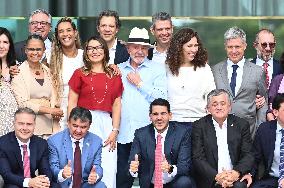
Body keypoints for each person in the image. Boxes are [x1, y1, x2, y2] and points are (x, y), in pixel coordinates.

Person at [68, 35, 123, 188]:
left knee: (108, 164)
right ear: (86, 52)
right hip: (83, 122)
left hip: (106, 123)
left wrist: (115, 130)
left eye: (98, 47)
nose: (95, 51)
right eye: (90, 48)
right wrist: (72, 126)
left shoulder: (114, 75)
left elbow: (117, 105)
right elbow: (72, 101)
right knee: (84, 163)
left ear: (105, 51)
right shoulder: (79, 74)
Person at [116, 27, 167, 188]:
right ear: (128, 48)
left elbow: (162, 99)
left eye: (144, 48)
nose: (140, 51)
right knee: (122, 181)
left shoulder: (157, 69)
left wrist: (140, 84)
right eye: (136, 47)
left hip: (148, 135)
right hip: (123, 134)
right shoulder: (118, 70)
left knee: (147, 182)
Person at [212, 26, 267, 138]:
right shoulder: (214, 70)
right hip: (220, 132)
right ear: (225, 47)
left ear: (245, 46)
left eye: (237, 46)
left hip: (249, 133)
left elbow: (263, 102)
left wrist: (259, 129)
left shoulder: (258, 71)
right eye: (230, 47)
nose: (234, 51)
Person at [192, 89, 254, 188]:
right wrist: (217, 177)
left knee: (240, 186)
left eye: (223, 103)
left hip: (235, 176)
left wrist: (236, 173)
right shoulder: (199, 126)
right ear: (208, 108)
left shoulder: (242, 125)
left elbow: (248, 154)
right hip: (211, 178)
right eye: (214, 104)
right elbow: (198, 158)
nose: (219, 107)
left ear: (229, 107)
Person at [129, 98, 194, 187]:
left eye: (163, 113)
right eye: (155, 114)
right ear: (150, 117)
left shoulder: (182, 133)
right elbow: (132, 161)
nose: (159, 118)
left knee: (184, 182)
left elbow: (185, 166)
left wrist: (169, 168)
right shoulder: (141, 134)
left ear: (170, 115)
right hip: (150, 184)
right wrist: (133, 169)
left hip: (173, 183)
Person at [11, 34, 63, 138]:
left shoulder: (49, 72)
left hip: (51, 128)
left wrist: (55, 108)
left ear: (44, 50)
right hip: (29, 129)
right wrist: (50, 110)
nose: (35, 52)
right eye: (31, 49)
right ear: (25, 50)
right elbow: (23, 103)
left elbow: (55, 97)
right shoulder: (18, 73)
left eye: (38, 49)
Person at [166, 27, 215, 124]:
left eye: (196, 45)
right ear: (179, 47)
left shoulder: (204, 68)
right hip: (173, 122)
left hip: (199, 122)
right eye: (189, 46)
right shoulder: (166, 67)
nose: (194, 49)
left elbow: (212, 95)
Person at [47, 107, 105, 188]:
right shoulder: (54, 141)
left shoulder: (96, 141)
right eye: (75, 125)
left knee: (101, 186)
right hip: (62, 185)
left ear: (89, 126)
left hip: (85, 185)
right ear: (68, 123)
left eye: (83, 127)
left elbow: (97, 166)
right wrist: (62, 174)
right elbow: (53, 167)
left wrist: (95, 176)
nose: (78, 131)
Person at [0, 107, 54, 188]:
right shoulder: (2, 143)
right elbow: (6, 174)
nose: (25, 128)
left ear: (34, 125)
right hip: (14, 183)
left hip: (34, 183)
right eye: (21, 123)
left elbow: (46, 170)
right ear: (14, 123)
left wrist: (44, 181)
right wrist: (29, 182)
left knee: (55, 185)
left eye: (29, 124)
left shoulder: (41, 144)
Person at [49, 17, 84, 130]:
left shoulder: (86, 56)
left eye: (68, 30)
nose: (65, 34)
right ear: (57, 37)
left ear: (75, 32)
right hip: (60, 112)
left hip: (83, 109)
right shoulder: (51, 58)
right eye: (61, 31)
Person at [251, 93, 284, 187]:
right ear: (275, 112)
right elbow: (255, 156)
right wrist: (249, 174)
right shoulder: (264, 129)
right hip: (272, 179)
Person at [0, 27, 18, 136]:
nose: (1, 46)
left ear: (10, 45)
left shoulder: (18, 68)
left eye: (5, 42)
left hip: (14, 126)